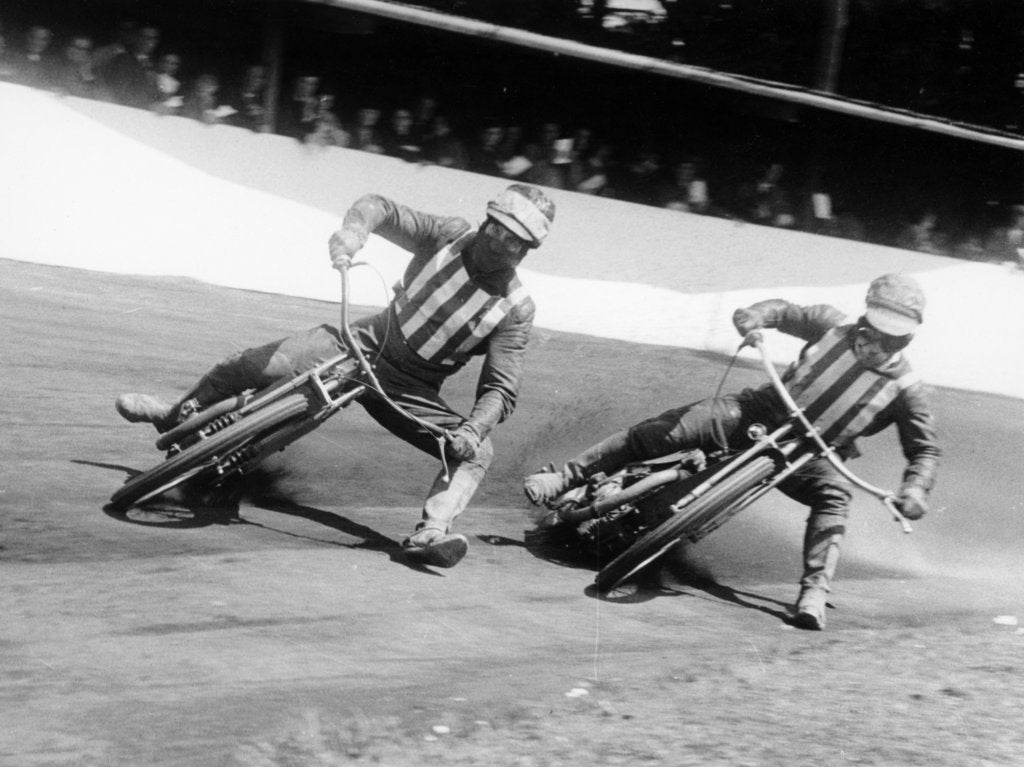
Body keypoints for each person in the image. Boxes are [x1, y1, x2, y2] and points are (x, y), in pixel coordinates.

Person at [115, 184, 556, 569]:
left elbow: (501, 387)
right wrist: (354, 233)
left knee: (479, 452)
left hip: (410, 390)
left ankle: (432, 531)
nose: (501, 243)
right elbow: (380, 207)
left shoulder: (515, 309)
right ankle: (175, 415)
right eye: (498, 228)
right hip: (362, 340)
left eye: (516, 242)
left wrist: (473, 429)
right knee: (255, 364)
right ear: (487, 220)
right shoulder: (448, 234)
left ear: (526, 251)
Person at [524, 274, 940, 630]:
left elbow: (924, 449)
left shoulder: (908, 389)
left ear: (907, 337)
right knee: (664, 432)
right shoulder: (831, 324)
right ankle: (564, 477)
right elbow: (785, 311)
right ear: (865, 317)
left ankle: (814, 592)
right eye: (874, 330)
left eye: (891, 337)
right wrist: (754, 318)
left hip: (812, 453)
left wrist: (916, 490)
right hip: (759, 411)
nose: (877, 343)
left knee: (835, 497)